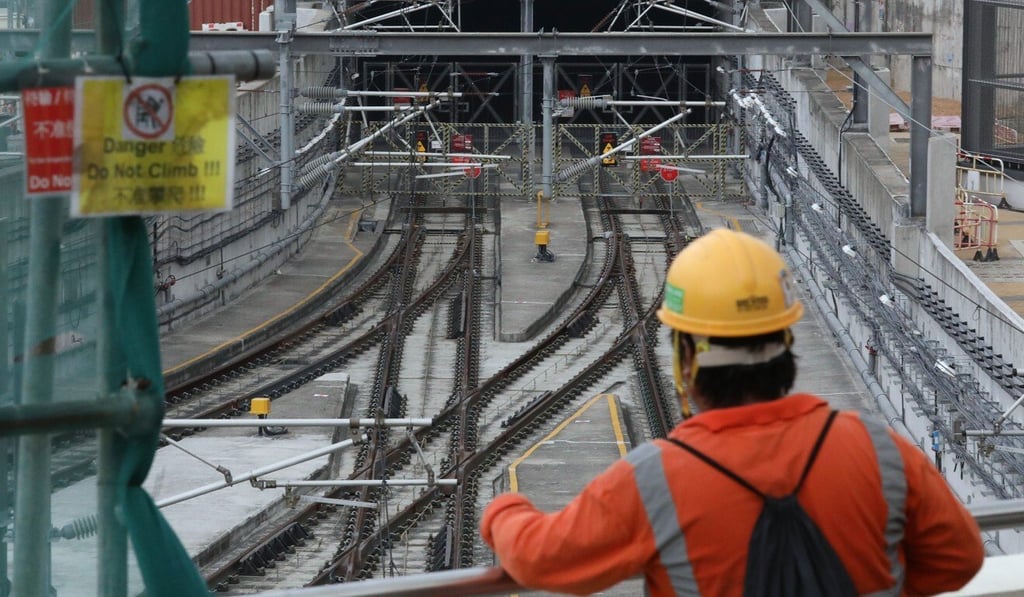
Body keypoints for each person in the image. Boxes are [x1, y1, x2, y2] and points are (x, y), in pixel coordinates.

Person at [480, 228, 984, 596]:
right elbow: (957, 560)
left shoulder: (654, 480)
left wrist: (503, 511)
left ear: (687, 359)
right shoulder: (879, 450)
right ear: (787, 344)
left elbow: (538, 559)